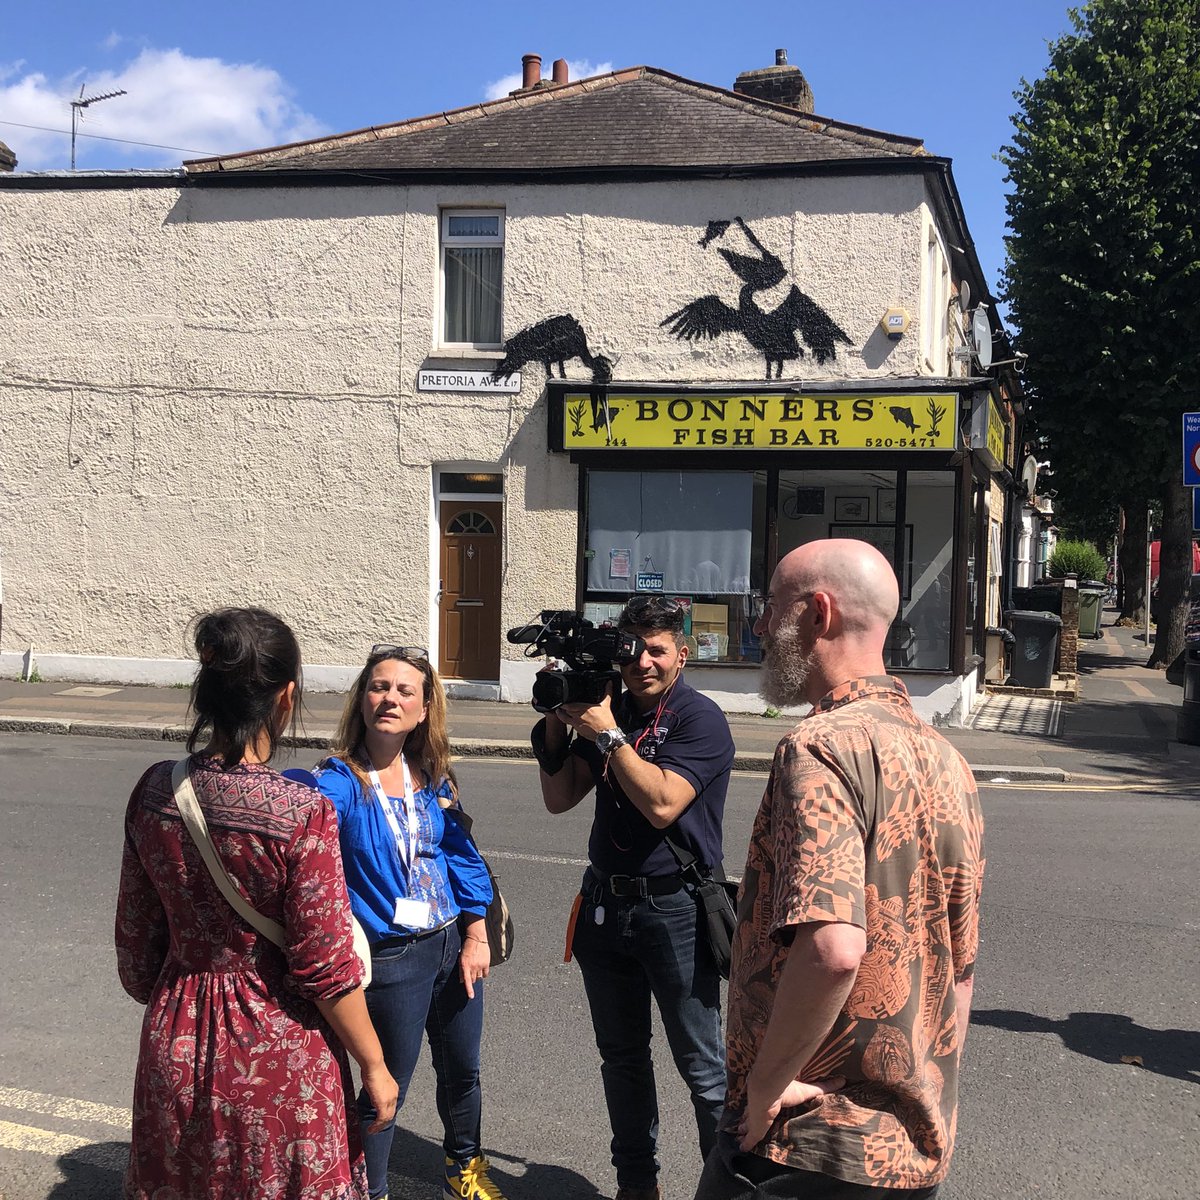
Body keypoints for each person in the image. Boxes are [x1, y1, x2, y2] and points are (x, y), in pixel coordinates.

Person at [695, 540, 984, 1200]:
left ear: (817, 613)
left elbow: (831, 949)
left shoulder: (820, 748)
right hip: (908, 1148)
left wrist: (765, 1091)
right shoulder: (947, 759)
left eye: (771, 609)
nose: (762, 627)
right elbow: (958, 971)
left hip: (807, 1147)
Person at [116, 607, 398, 1200]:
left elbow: (138, 958)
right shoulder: (300, 811)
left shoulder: (151, 792)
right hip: (280, 1057)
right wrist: (374, 1064)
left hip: (177, 1042)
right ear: (285, 696)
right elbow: (324, 966)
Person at [535, 595, 735, 1200]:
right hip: (604, 905)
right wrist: (557, 719)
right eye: (633, 650)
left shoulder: (699, 718)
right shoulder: (607, 705)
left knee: (702, 1069)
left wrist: (608, 733)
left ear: (683, 652)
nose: (642, 662)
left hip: (673, 907)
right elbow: (559, 797)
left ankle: (722, 1188)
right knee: (621, 1058)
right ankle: (636, 1185)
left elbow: (662, 803)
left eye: (657, 650)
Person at [316, 645, 503, 1200]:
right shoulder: (340, 782)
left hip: (450, 944)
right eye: (379, 686)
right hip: (393, 958)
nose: (389, 698)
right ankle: (369, 1191)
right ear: (361, 700)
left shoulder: (434, 777)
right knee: (384, 1088)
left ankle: (463, 1169)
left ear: (424, 709)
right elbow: (303, 828)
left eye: (404, 690)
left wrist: (476, 934)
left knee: (463, 1072)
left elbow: (463, 856)